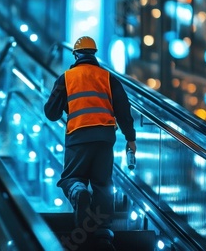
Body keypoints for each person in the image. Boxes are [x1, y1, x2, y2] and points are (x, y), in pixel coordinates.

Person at [44, 36, 137, 250]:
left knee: (71, 177)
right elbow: (124, 111)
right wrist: (130, 138)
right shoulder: (108, 77)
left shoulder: (66, 78)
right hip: (105, 139)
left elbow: (50, 113)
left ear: (75, 55)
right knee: (103, 184)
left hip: (78, 137)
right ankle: (103, 233)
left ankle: (79, 192)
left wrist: (67, 105)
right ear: (94, 54)